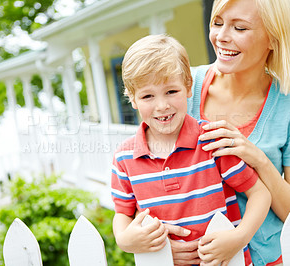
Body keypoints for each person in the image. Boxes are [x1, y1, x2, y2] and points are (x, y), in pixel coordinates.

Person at [167, 0, 290, 265]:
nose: (221, 37)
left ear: (274, 37)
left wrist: (259, 160)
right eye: (217, 23)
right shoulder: (180, 89)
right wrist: (159, 241)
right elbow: (146, 174)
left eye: (240, 27)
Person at [110, 34, 271, 266]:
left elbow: (260, 194)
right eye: (147, 96)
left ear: (188, 87)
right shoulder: (124, 158)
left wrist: (238, 238)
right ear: (133, 99)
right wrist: (125, 240)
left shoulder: (211, 141)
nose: (162, 105)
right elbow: (122, 214)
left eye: (171, 92)